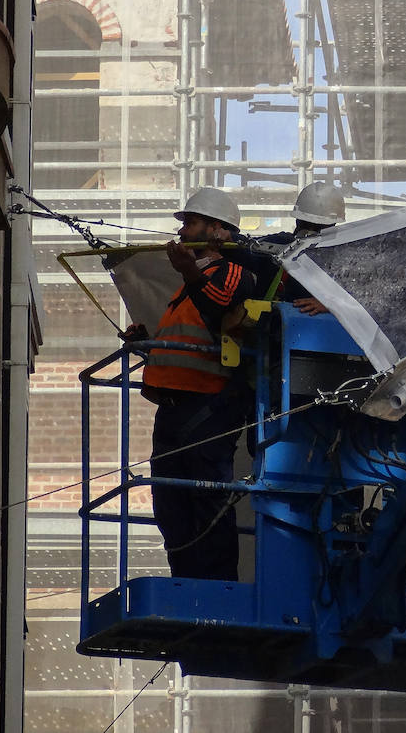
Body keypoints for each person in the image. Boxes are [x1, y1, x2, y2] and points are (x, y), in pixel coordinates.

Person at [126, 186, 253, 581]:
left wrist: (188, 271)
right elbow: (191, 343)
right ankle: (184, 580)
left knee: (206, 498)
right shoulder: (187, 287)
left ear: (217, 230)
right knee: (170, 505)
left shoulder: (232, 273)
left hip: (208, 407)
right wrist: (146, 345)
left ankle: (216, 587)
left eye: (191, 223)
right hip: (174, 408)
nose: (182, 232)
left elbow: (218, 309)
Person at [250, 181, 347, 314]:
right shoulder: (279, 243)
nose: (310, 232)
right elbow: (244, 247)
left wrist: (332, 304)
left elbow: (365, 297)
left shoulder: (343, 257)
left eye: (318, 227)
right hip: (275, 324)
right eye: (306, 224)